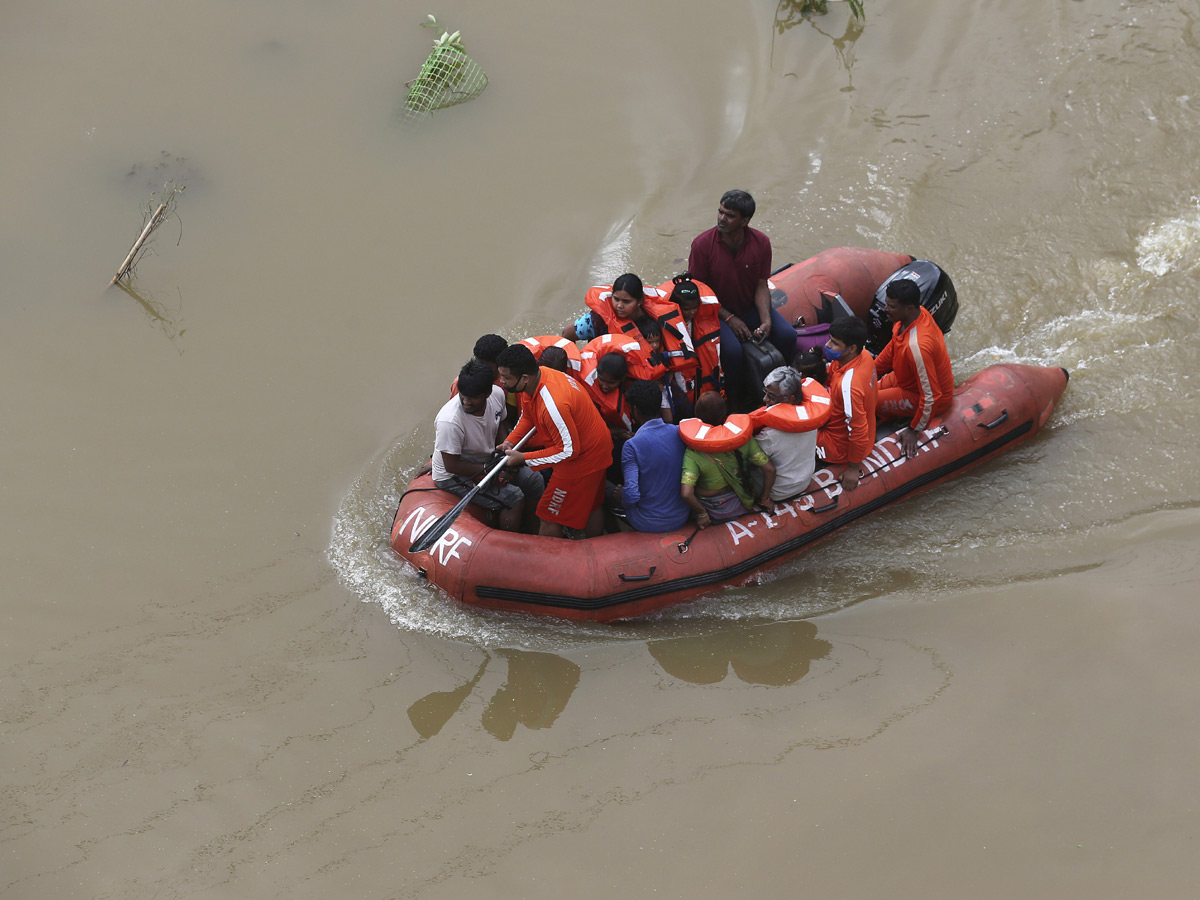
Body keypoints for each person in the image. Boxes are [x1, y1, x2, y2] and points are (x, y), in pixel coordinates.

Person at [687, 189, 797, 402]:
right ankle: (737, 399)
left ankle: (781, 389)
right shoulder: (702, 245)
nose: (721, 218)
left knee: (787, 336)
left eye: (729, 215)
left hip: (749, 308)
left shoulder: (761, 243)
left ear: (745, 220)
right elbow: (700, 293)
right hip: (716, 313)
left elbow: (761, 284)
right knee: (732, 353)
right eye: (720, 212)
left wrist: (766, 320)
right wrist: (729, 318)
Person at [496, 343, 614, 538]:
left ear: (524, 378)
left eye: (506, 378)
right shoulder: (537, 377)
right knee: (592, 504)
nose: (501, 382)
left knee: (548, 516)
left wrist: (523, 458)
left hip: (583, 459)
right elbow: (528, 416)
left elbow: (568, 451)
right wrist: (510, 441)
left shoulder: (553, 404)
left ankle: (555, 561)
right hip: (591, 446)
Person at [432, 360, 544, 532]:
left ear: (488, 392)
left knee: (534, 480)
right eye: (463, 395)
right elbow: (451, 465)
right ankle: (510, 546)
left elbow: (500, 423)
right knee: (513, 498)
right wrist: (490, 468)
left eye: (473, 397)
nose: (467, 402)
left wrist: (504, 454)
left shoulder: (498, 394)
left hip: (488, 460)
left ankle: (532, 530)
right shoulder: (450, 421)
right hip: (452, 475)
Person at [874, 278, 954, 458]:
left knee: (865, 402)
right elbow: (892, 348)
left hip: (923, 396)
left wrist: (914, 429)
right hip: (905, 379)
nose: (885, 309)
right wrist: (869, 372)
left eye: (891, 306)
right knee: (865, 389)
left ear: (909, 308)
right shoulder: (913, 316)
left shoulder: (917, 347)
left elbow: (932, 396)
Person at [680, 392, 776, 527]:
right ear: (725, 411)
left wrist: (701, 513)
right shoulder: (744, 439)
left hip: (713, 510)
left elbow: (686, 493)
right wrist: (765, 499)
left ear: (697, 415)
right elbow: (770, 469)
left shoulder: (693, 452)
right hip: (741, 501)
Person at [617, 379, 692, 533]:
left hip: (646, 522)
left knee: (608, 492)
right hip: (681, 516)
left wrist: (622, 497)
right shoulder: (680, 432)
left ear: (635, 410)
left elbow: (631, 496)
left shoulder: (632, 446)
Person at [815, 317, 877, 490]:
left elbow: (858, 429)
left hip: (838, 446)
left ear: (852, 348)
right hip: (840, 423)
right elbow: (832, 371)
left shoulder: (849, 387)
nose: (827, 345)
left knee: (790, 430)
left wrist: (853, 467)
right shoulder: (863, 356)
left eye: (834, 343)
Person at [750, 366, 825, 502]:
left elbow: (752, 461)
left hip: (779, 490)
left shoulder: (769, 435)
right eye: (765, 393)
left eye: (771, 396)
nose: (765, 399)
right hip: (804, 481)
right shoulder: (810, 419)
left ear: (790, 399)